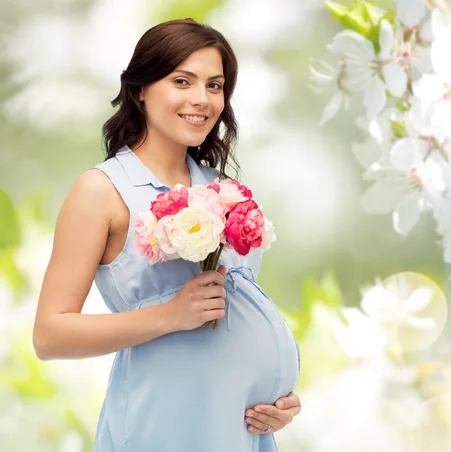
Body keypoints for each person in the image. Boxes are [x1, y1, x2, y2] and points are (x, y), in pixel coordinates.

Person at [32, 18, 301, 452]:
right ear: (140, 89)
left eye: (215, 86)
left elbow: (242, 316)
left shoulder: (223, 190)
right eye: (182, 81)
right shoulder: (101, 191)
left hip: (240, 432)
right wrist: (171, 316)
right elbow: (49, 336)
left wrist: (278, 398)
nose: (202, 99)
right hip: (164, 426)